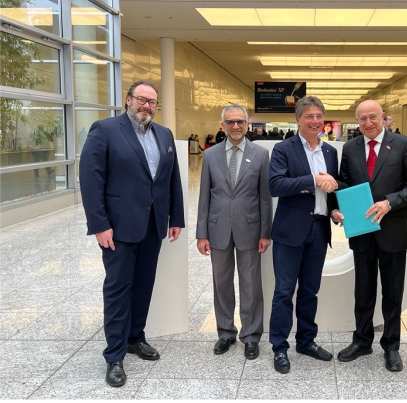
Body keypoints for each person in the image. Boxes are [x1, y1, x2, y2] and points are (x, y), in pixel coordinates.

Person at [79, 80, 185, 388]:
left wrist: (174, 217)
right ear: (128, 100)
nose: (147, 106)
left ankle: (135, 337)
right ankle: (114, 355)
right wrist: (99, 225)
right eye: (142, 99)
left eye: (152, 102)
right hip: (118, 228)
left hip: (153, 227)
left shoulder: (163, 134)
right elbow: (91, 179)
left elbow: (171, 180)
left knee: (143, 286)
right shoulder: (105, 130)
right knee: (118, 289)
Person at [332, 100, 407, 372]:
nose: (368, 122)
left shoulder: (403, 144)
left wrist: (389, 203)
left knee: (393, 292)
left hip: (392, 231)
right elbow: (345, 184)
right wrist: (337, 205)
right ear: (357, 121)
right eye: (362, 119)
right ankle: (362, 341)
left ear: (383, 117)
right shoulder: (350, 148)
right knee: (363, 290)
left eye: (373, 117)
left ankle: (392, 347)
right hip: (362, 232)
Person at [268, 96, 341, 374]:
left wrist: (334, 209)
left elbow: (331, 188)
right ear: (298, 119)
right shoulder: (283, 148)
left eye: (319, 116)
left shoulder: (330, 152)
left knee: (310, 290)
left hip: (319, 230)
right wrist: (312, 180)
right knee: (284, 292)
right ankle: (279, 346)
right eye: (309, 116)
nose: (315, 121)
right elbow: (276, 185)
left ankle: (306, 341)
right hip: (290, 231)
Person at [196, 104, 272, 360]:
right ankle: (225, 333)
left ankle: (251, 336)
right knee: (221, 285)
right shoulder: (210, 155)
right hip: (217, 230)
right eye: (230, 122)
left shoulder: (260, 155)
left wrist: (265, 232)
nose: (236, 126)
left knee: (251, 285)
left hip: (250, 230)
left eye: (240, 121)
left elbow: (265, 197)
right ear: (223, 125)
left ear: (248, 125)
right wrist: (201, 233)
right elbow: (204, 196)